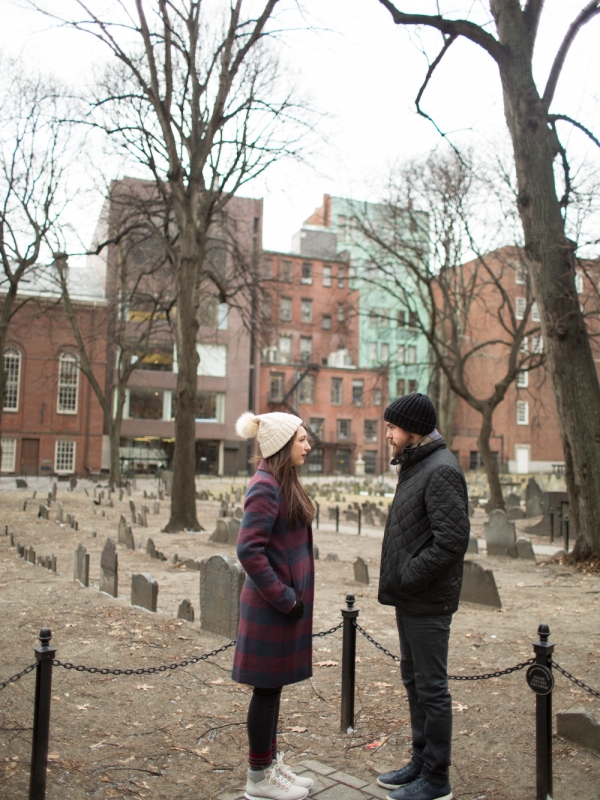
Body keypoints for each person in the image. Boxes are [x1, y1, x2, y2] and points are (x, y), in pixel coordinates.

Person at [376, 393, 470, 800]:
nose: (388, 434)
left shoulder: (441, 469)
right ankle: (420, 762)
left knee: (431, 687)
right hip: (411, 596)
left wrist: (408, 576)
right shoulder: (417, 465)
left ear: (412, 431)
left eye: (392, 427)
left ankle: (437, 780)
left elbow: (452, 542)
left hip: (427, 599)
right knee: (414, 680)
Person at [232, 411, 315, 800]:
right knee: (265, 691)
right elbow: (249, 550)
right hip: (271, 606)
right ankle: (258, 778)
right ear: (283, 444)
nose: (308, 445)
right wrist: (286, 598)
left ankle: (269, 763)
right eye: (301, 439)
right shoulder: (264, 486)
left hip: (283, 607)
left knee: (273, 689)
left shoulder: (282, 483)